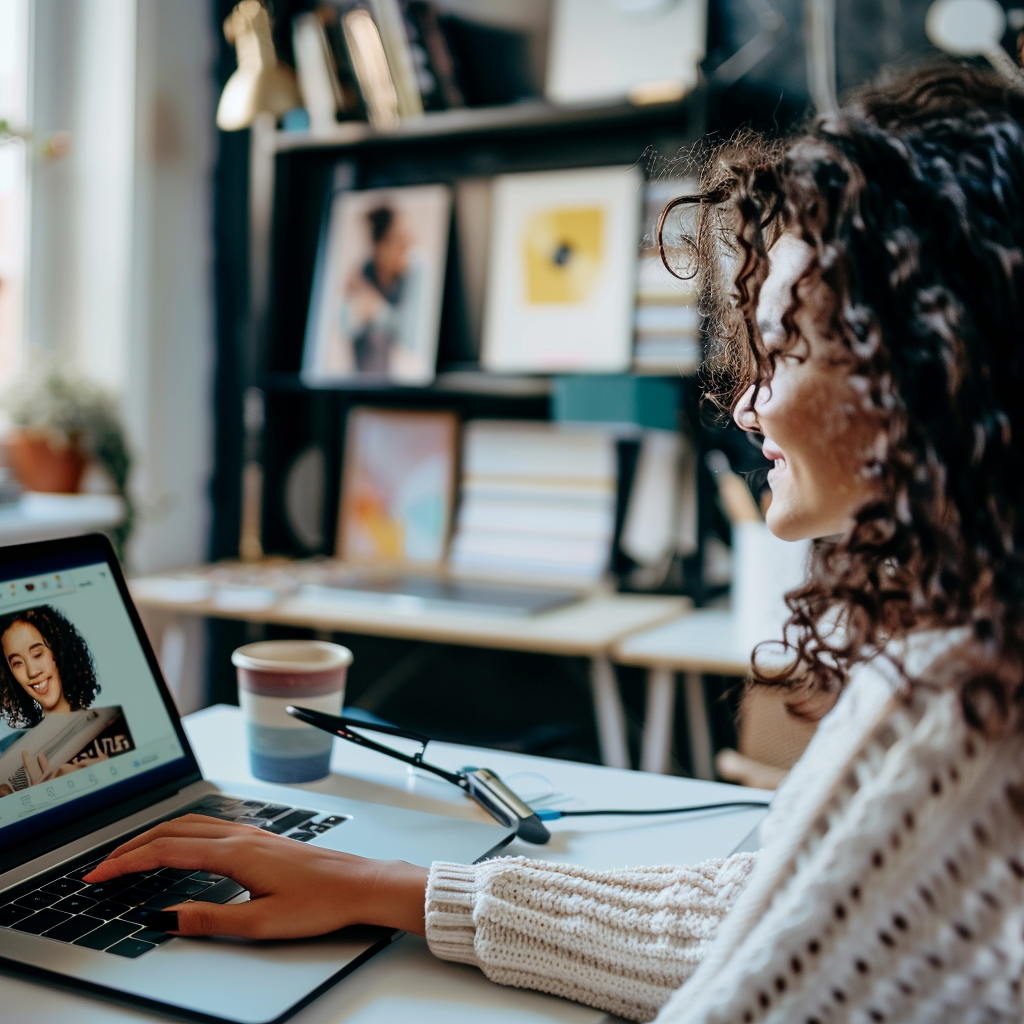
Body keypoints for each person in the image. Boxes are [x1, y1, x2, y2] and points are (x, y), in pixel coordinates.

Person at [86, 61, 1024, 1022]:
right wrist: (390, 887)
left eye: (784, 349)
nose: (744, 405)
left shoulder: (961, 698)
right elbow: (769, 915)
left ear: (925, 369)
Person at [0, 604, 106, 791]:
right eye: (17, 663)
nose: (32, 671)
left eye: (37, 654)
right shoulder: (6, 749)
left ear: (58, 650)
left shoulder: (108, 725)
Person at [340, 205, 419, 374]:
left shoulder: (415, 274)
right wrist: (356, 307)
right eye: (400, 240)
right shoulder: (363, 272)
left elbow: (413, 338)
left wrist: (378, 309)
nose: (410, 244)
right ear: (381, 247)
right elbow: (344, 324)